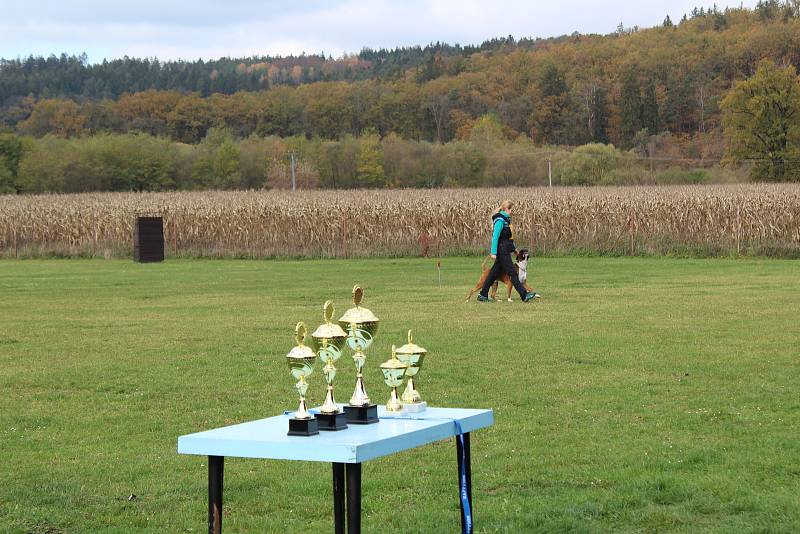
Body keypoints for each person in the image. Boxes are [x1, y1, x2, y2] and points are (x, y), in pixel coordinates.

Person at [477, 200, 540, 303]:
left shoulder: (506, 220)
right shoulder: (500, 221)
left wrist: (515, 250)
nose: (511, 211)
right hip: (502, 251)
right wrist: (493, 252)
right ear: (506, 209)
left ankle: (483, 294)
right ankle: (524, 295)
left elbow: (508, 239)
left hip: (505, 249)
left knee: (493, 273)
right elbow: (495, 237)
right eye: (511, 209)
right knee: (512, 273)